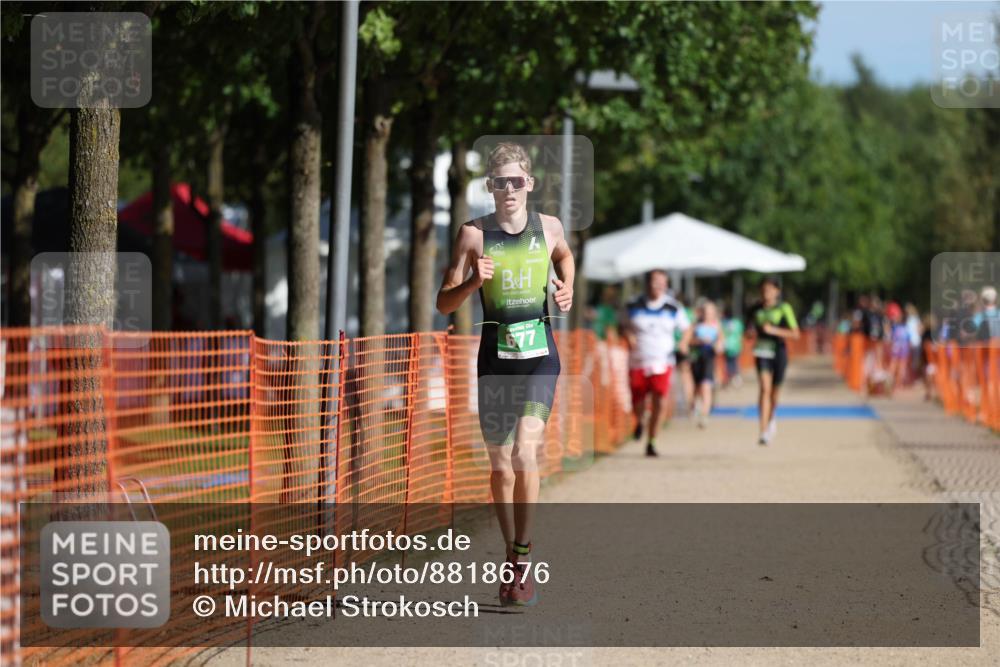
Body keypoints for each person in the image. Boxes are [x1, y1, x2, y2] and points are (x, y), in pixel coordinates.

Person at [436, 142, 574, 607]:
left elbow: (565, 258)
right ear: (490, 187)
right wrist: (475, 282)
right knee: (499, 467)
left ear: (529, 184)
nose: (509, 190)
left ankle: (521, 555)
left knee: (524, 452)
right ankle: (510, 551)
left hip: (539, 358)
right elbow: (444, 302)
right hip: (495, 361)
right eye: (501, 183)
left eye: (517, 181)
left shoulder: (550, 228)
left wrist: (567, 287)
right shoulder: (472, 235)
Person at [622, 269, 690, 457]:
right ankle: (641, 422)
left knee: (660, 399)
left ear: (666, 284)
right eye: (655, 281)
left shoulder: (673, 307)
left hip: (663, 360)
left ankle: (652, 441)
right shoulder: (633, 305)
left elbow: (687, 328)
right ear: (647, 283)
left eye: (662, 282)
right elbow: (623, 325)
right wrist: (628, 335)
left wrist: (683, 343)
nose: (658, 285)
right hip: (638, 361)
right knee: (638, 401)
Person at [745, 277, 799, 446]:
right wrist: (750, 334)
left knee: (774, 393)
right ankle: (763, 431)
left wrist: (773, 330)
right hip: (762, 351)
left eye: (769, 289)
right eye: (763, 290)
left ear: (777, 291)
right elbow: (748, 331)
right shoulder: (755, 309)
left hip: (779, 352)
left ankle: (771, 418)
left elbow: (795, 334)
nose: (766, 293)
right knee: (764, 388)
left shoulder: (784, 308)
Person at [682, 300, 725, 428]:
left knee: (706, 387)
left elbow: (721, 341)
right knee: (696, 388)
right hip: (696, 359)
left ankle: (704, 415)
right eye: (705, 312)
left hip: (709, 360)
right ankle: (693, 405)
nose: (708, 314)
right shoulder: (695, 325)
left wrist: (719, 346)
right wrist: (698, 341)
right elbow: (686, 342)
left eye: (711, 312)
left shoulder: (717, 326)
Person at [885, 302, 909, 396]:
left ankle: (898, 384)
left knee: (901, 368)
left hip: (903, 349)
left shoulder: (904, 327)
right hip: (896, 349)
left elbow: (908, 340)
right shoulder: (893, 327)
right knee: (893, 367)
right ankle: (891, 384)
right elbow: (889, 336)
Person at [722, 305, 744, 388]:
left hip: (727, 346)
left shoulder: (724, 323)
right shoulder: (738, 323)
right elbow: (740, 334)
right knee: (735, 362)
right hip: (736, 346)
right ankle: (736, 379)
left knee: (728, 363)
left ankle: (731, 379)